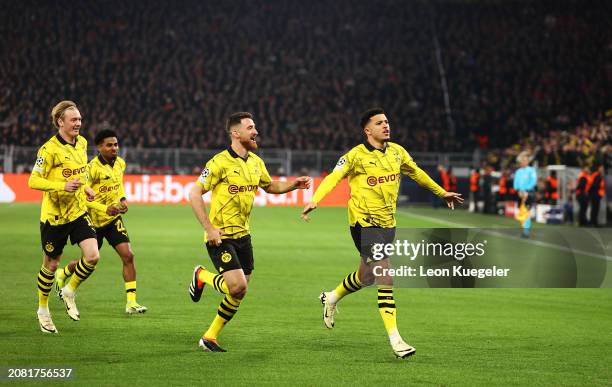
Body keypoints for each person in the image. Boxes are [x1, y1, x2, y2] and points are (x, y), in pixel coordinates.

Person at [300, 107, 463, 359]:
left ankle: (330, 297)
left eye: (387, 121)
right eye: (379, 123)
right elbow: (334, 177)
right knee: (385, 276)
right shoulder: (355, 156)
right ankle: (396, 340)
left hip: (388, 224)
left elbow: (417, 173)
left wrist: (442, 192)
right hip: (363, 223)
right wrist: (316, 199)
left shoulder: (397, 152)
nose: (386, 125)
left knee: (366, 277)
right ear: (368, 130)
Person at [187, 112, 311, 352]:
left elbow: (270, 185)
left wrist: (292, 185)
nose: (256, 132)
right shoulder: (218, 162)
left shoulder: (255, 161)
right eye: (251, 127)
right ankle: (201, 275)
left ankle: (209, 336)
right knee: (237, 287)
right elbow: (194, 193)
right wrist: (209, 228)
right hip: (221, 236)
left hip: (244, 235)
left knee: (239, 291)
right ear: (236, 133)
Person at [28, 100, 118, 333]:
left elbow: (82, 172)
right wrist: (61, 186)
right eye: (74, 120)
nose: (79, 123)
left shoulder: (83, 143)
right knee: (51, 264)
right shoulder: (48, 150)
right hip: (54, 217)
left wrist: (86, 187)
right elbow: (33, 181)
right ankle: (43, 309)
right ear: (60, 122)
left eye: (79, 119)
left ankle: (69, 290)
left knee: (93, 256)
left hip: (78, 211)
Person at [55, 129, 147, 314]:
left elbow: (119, 185)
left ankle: (131, 303)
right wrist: (104, 208)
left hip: (113, 219)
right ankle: (63, 273)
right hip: (93, 221)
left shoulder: (120, 163)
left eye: (116, 144)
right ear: (99, 147)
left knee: (128, 256)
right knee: (88, 261)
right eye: (109, 145)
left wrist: (122, 200)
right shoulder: (91, 169)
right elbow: (83, 194)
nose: (114, 148)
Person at [513, 152, 537, 238]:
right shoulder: (518, 171)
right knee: (521, 211)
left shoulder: (531, 170)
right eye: (522, 160)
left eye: (525, 160)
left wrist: (526, 190)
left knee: (526, 211)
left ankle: (526, 232)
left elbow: (533, 182)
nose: (524, 162)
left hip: (529, 193)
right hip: (520, 194)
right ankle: (524, 229)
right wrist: (519, 190)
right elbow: (515, 183)